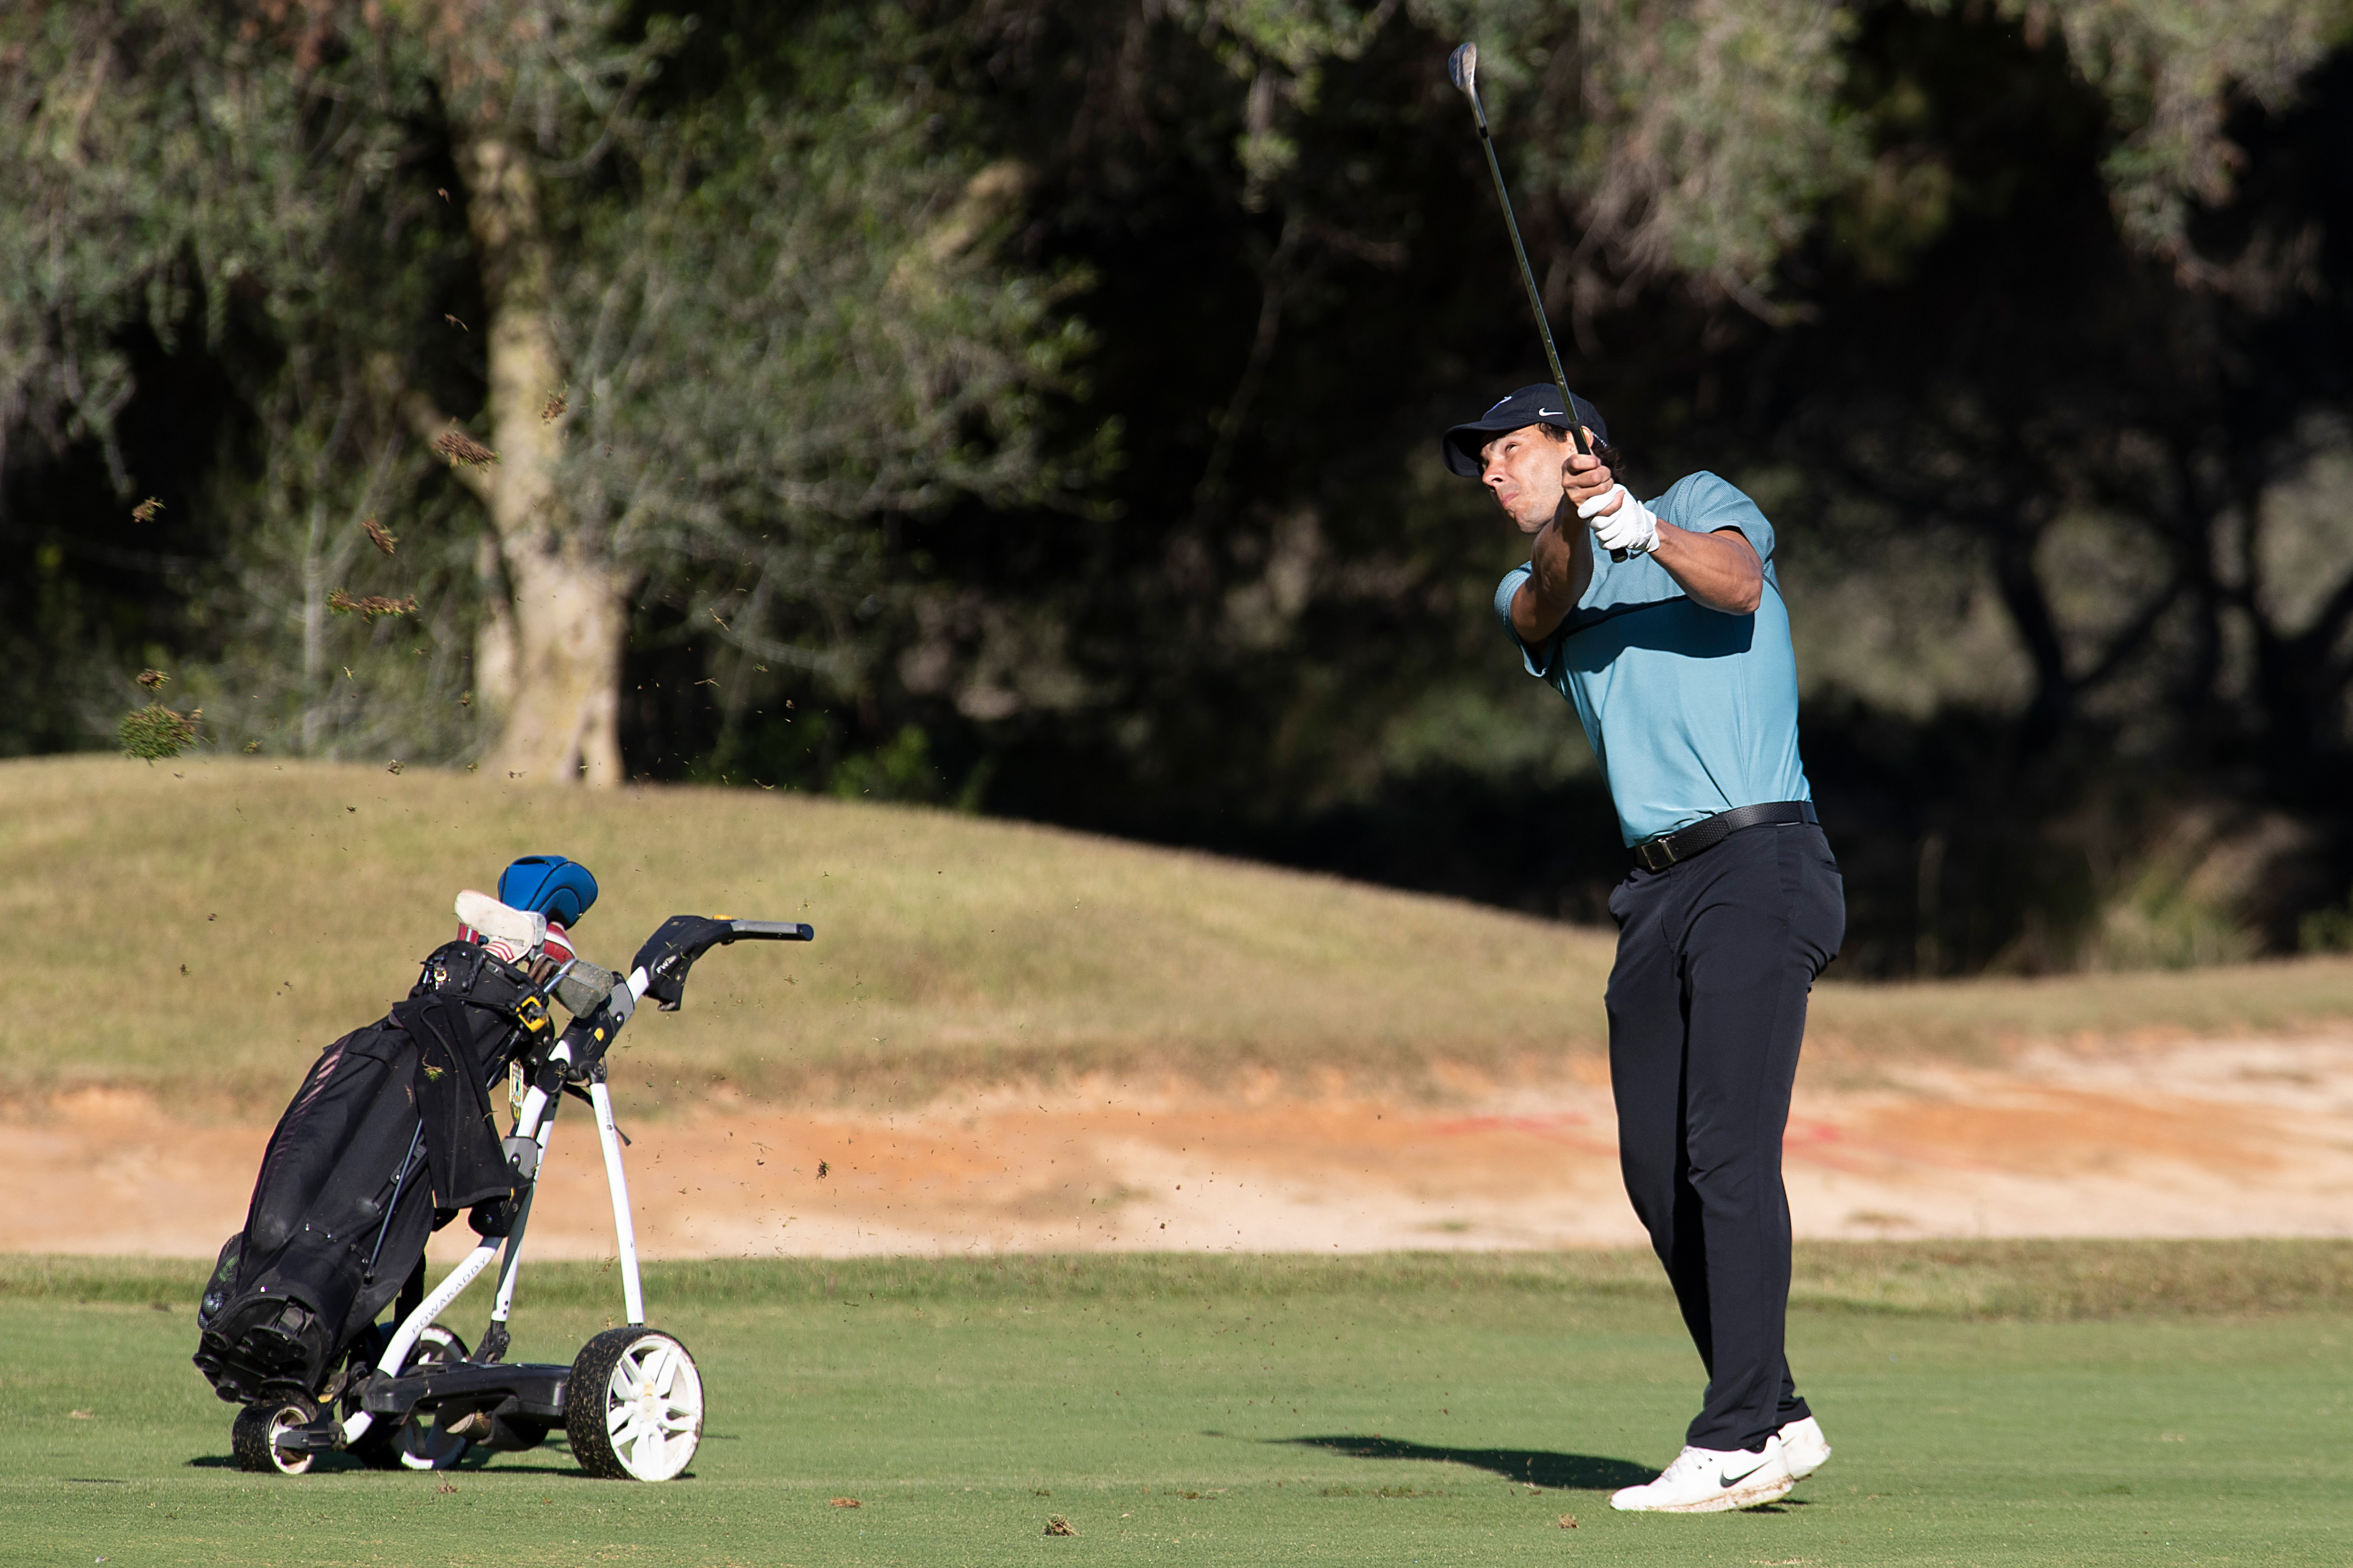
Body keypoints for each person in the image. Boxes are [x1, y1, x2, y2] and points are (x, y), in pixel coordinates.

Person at [1443, 385, 1846, 1514]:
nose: (1487, 472)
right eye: (1480, 460)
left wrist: (1647, 527)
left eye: (1505, 450)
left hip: (1761, 861)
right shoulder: (1531, 583)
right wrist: (1587, 523)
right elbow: (1546, 605)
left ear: (1576, 445)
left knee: (1726, 1149)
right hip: (1656, 891)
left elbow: (1736, 581)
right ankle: (1775, 1409)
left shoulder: (1703, 500)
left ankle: (1732, 1438)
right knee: (1654, 1173)